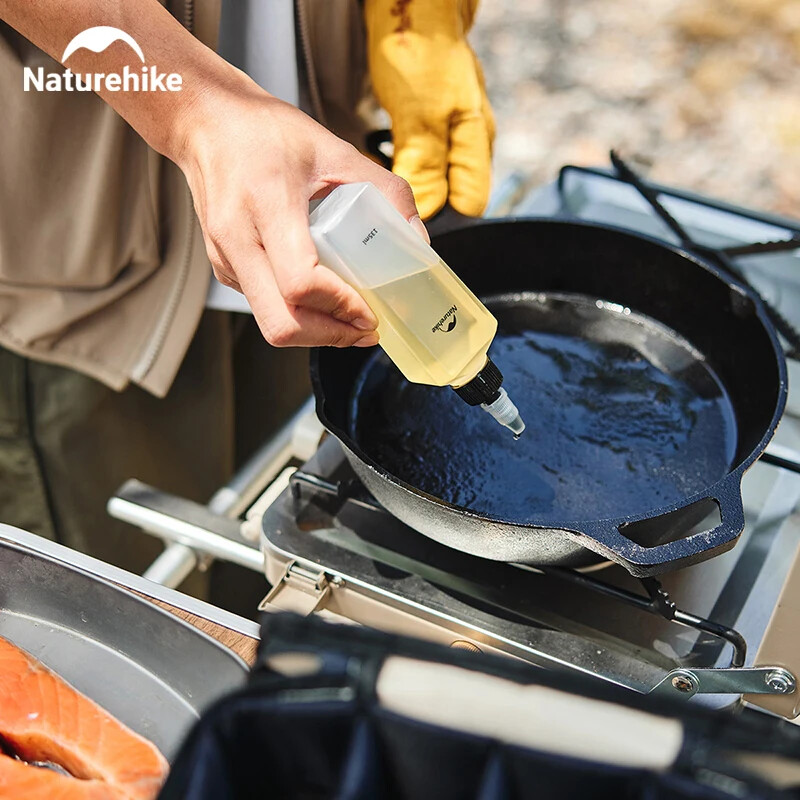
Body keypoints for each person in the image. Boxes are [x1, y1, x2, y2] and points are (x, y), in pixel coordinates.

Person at [0, 0, 494, 596]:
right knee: (130, 599)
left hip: (315, 187)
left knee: (267, 558)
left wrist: (412, 12)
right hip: (88, 244)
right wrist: (194, 106)